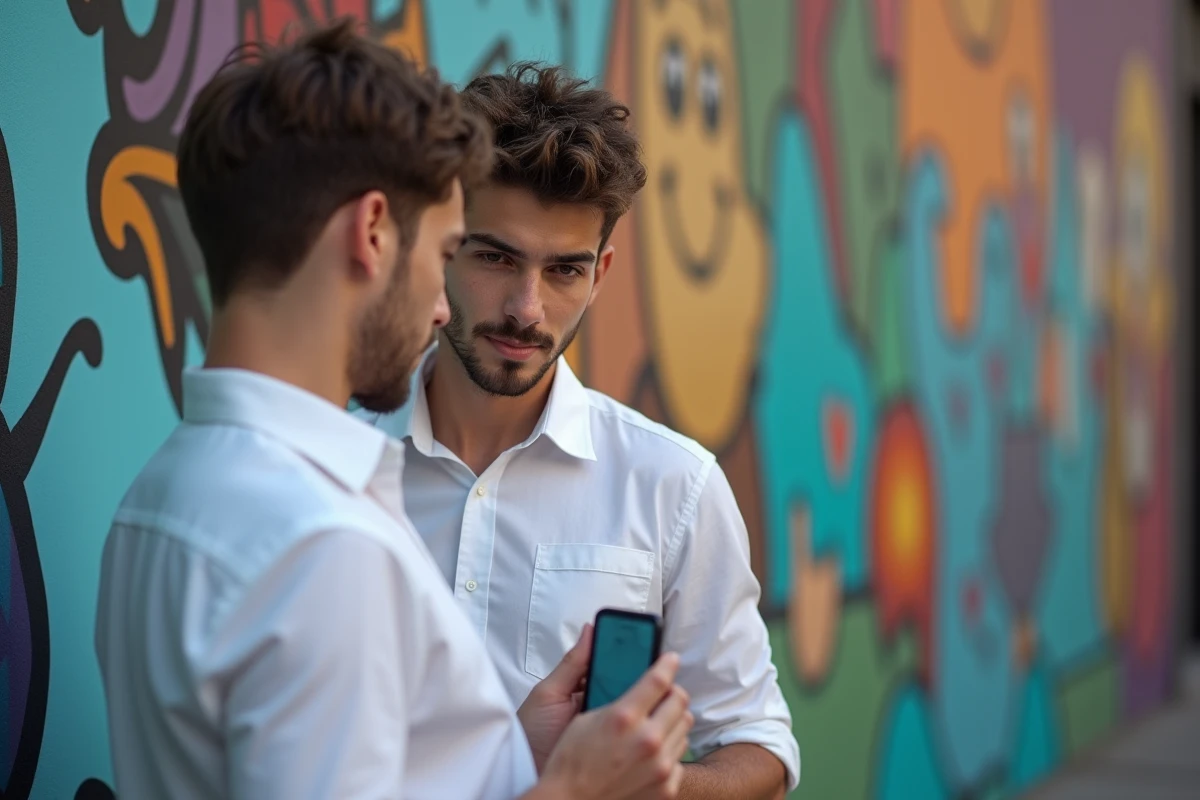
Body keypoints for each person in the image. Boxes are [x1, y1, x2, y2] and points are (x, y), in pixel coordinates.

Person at [93, 21, 694, 800]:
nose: (443, 307)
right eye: (447, 252)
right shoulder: (325, 545)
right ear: (372, 232)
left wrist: (507, 756)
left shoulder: (157, 495)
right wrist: (574, 791)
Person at [357, 63, 801, 798]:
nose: (526, 309)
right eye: (495, 257)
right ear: (442, 247)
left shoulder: (674, 487)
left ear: (601, 275)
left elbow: (761, 749)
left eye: (564, 270)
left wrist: (639, 784)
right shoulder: (340, 463)